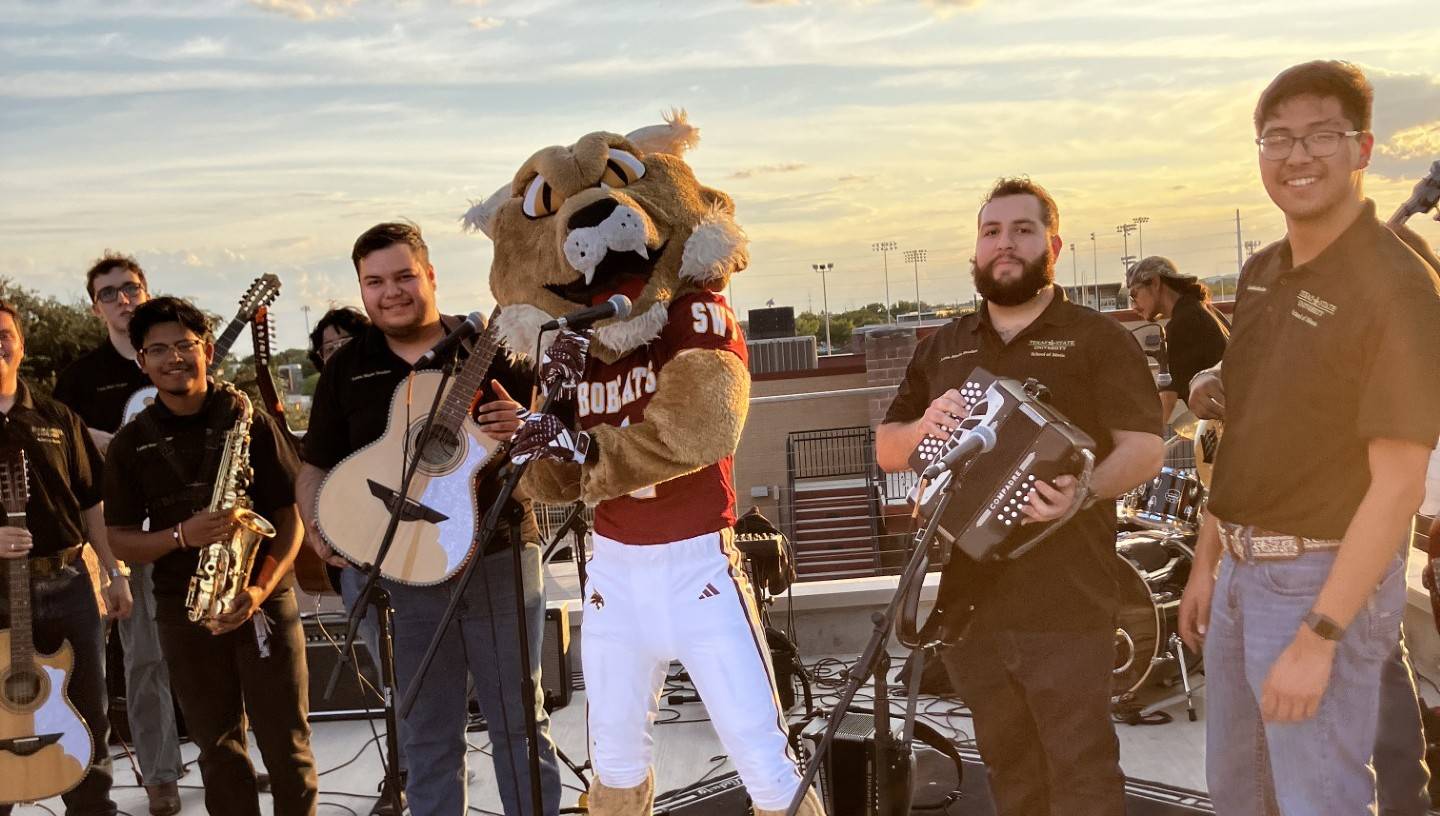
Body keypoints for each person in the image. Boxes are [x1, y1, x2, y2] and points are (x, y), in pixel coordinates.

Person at [1176, 60, 1440, 815]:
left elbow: (1397, 486)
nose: (1297, 155)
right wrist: (1206, 564)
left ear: (1362, 149)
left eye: (1322, 135)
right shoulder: (1263, 273)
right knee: (1240, 796)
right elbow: (1245, 436)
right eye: (1277, 138)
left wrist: (1320, 634)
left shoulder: (1397, 287)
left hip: (1317, 578)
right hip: (1239, 572)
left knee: (1318, 798)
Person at [874, 178, 1165, 816]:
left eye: (1022, 230)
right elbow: (887, 447)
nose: (1005, 244)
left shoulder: (1097, 338)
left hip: (1069, 599)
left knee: (1081, 771)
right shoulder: (944, 346)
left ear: (1052, 245)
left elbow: (1146, 448)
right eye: (991, 232)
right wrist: (924, 429)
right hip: (972, 604)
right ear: (976, 251)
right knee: (1010, 771)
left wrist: (1082, 492)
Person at [295, 222, 561, 816]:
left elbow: (547, 442)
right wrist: (320, 528)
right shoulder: (347, 368)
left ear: (431, 275)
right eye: (375, 282)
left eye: (404, 276)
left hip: (495, 556)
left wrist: (520, 426)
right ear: (361, 290)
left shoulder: (497, 346)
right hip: (398, 573)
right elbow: (314, 465)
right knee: (426, 733)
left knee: (520, 722)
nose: (391, 292)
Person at [104, 297, 319, 816]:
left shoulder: (248, 417)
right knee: (218, 752)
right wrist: (182, 535)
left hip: (261, 600)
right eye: (158, 349)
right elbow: (120, 538)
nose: (173, 358)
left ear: (206, 350)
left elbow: (288, 518)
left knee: (287, 748)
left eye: (184, 345)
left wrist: (259, 590)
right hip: (185, 607)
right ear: (141, 362)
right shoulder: (130, 443)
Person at [52, 252, 186, 816]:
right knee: (146, 657)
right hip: (127, 529)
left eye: (129, 288)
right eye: (108, 293)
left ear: (146, 289)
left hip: (195, 520)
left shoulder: (179, 352)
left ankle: (228, 754)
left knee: (216, 645)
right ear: (95, 307)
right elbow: (69, 451)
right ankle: (160, 776)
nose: (121, 299)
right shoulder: (80, 378)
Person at [0, 299, 131, 816]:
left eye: (5, 333)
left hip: (69, 582)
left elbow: (91, 501)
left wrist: (114, 573)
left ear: (21, 344)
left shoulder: (58, 417)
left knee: (87, 705)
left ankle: (93, 807)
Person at [1124, 255, 1229, 427]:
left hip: (1225, 426)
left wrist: (1148, 443)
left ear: (1155, 283)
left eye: (1134, 295)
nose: (1133, 306)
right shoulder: (1206, 310)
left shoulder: (1183, 323)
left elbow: (1167, 400)